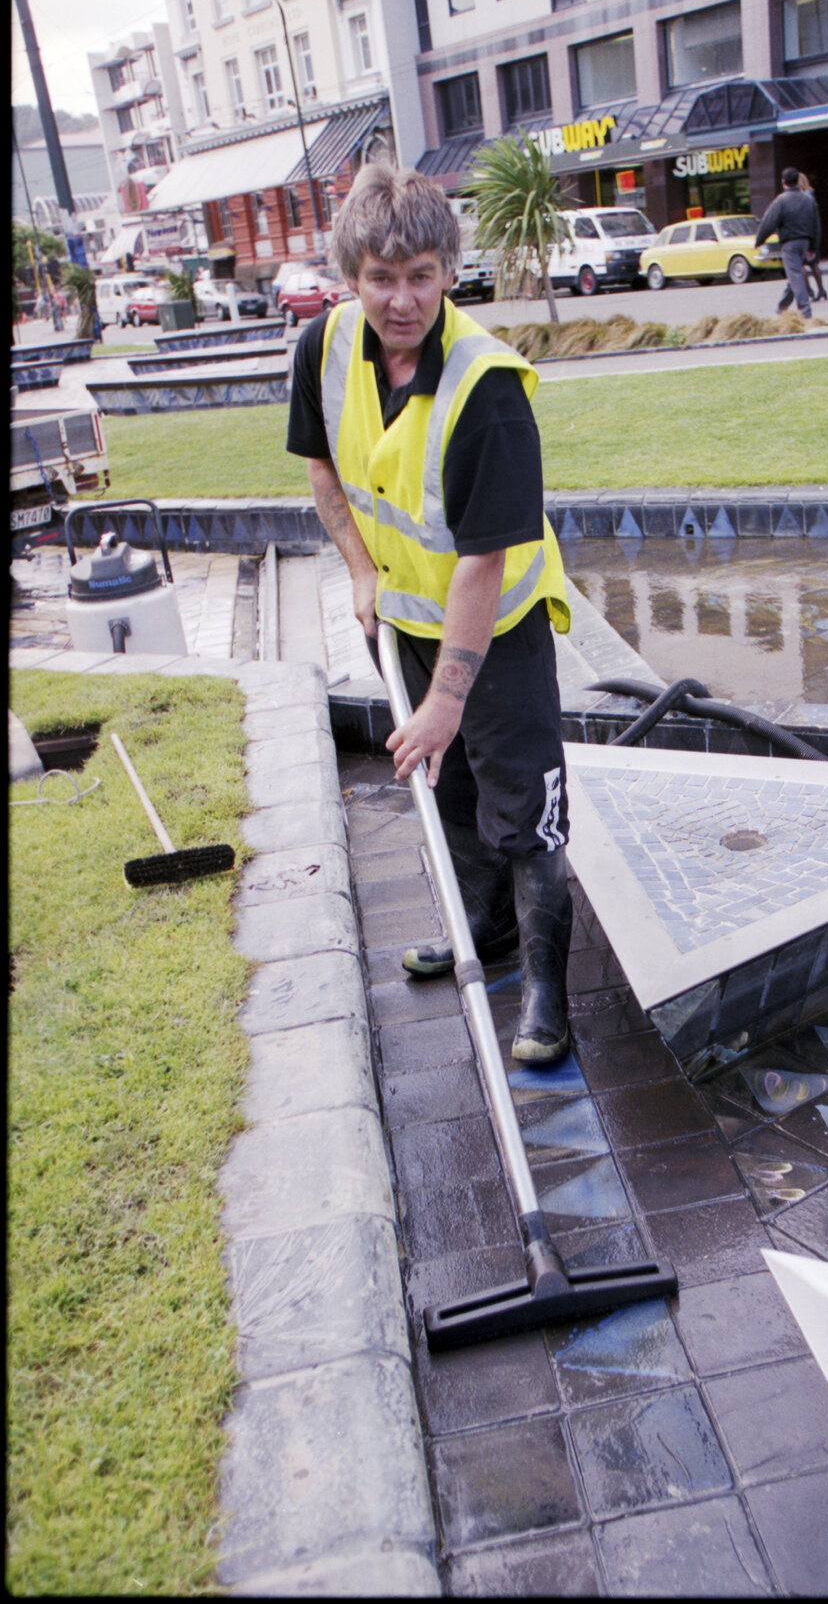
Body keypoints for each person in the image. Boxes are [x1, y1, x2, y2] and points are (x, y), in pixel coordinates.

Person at [286, 162, 574, 1067]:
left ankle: (547, 993)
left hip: (501, 626)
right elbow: (323, 467)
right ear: (351, 276)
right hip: (404, 619)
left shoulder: (488, 390)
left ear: (450, 270)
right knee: (450, 791)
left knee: (525, 808)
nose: (401, 299)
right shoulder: (325, 348)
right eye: (381, 278)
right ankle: (483, 930)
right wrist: (360, 571)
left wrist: (448, 700)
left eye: (420, 276)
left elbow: (483, 560)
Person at [754, 166, 821, 319]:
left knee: (795, 275)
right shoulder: (809, 200)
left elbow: (768, 222)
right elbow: (816, 225)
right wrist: (813, 247)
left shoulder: (781, 201)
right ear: (797, 181)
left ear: (783, 182)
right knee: (794, 274)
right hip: (805, 242)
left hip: (789, 243)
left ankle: (805, 311)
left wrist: (759, 240)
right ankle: (782, 307)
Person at [796, 173, 828, 301]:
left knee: (800, 264)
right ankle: (821, 290)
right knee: (813, 263)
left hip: (802, 234)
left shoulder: (802, 198)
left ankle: (809, 291)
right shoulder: (810, 196)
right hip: (811, 234)